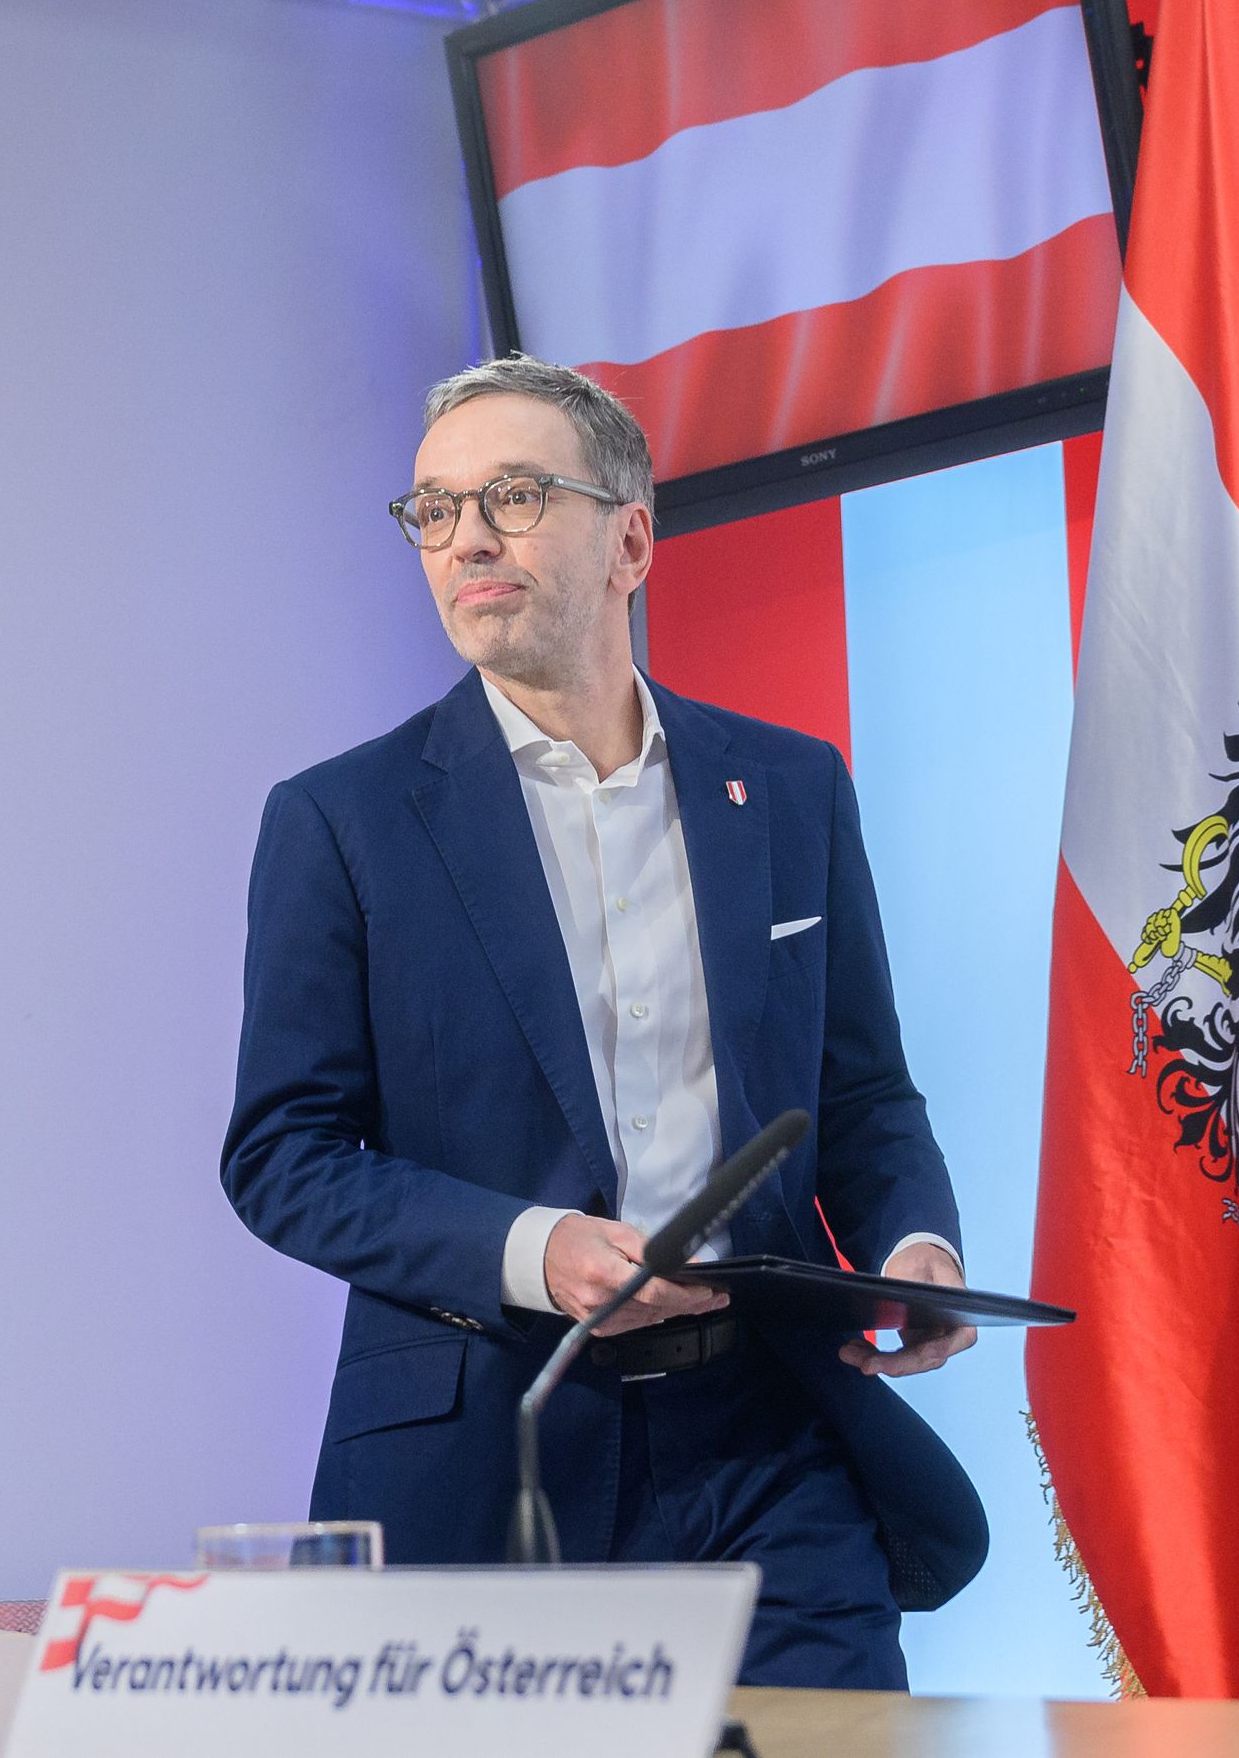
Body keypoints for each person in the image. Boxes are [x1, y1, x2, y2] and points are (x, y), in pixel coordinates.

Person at [221, 354, 984, 1689]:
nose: (466, 537)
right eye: (435, 508)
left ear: (632, 537)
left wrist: (911, 1247)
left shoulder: (792, 788)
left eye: (513, 495)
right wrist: (537, 1246)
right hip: (496, 1440)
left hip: (773, 1435)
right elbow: (284, 1156)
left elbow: (861, 1094)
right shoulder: (341, 822)